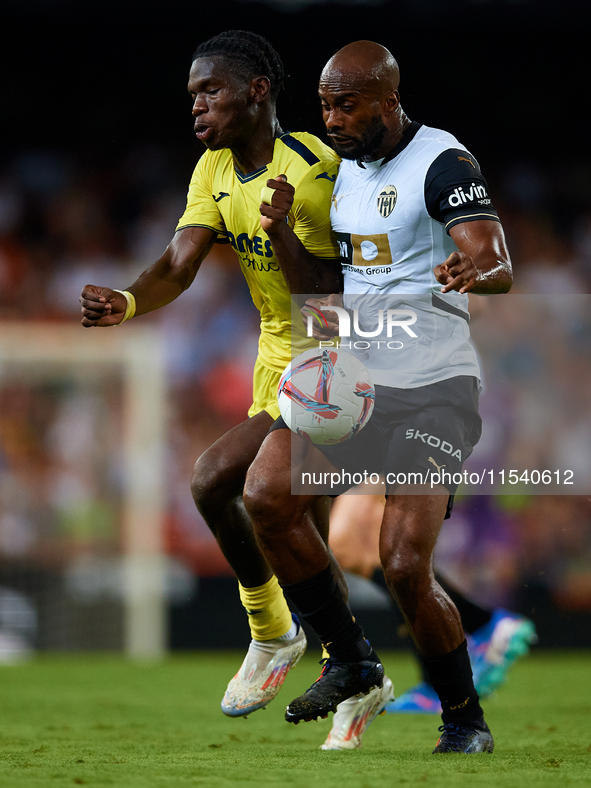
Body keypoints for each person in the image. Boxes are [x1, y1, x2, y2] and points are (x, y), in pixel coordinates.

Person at [79, 30, 391, 750]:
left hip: (342, 362)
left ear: (258, 92)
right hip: (276, 366)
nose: (196, 106)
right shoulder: (212, 169)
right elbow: (179, 262)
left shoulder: (319, 167)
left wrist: (282, 231)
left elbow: (340, 300)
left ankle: (277, 633)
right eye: (191, 95)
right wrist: (128, 301)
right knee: (290, 528)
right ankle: (351, 671)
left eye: (210, 90)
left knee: (219, 478)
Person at [242, 40, 514, 754]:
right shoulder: (341, 178)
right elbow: (326, 294)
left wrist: (472, 267)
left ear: (388, 100)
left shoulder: (440, 161)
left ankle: (463, 720)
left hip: (433, 391)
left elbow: (496, 259)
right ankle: (352, 660)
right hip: (358, 386)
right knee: (266, 493)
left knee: (400, 564)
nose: (331, 117)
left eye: (347, 104)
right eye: (326, 104)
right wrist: (280, 237)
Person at [328, 490, 537, 716]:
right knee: (376, 552)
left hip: (376, 455)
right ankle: (455, 657)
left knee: (349, 544)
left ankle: (475, 631)